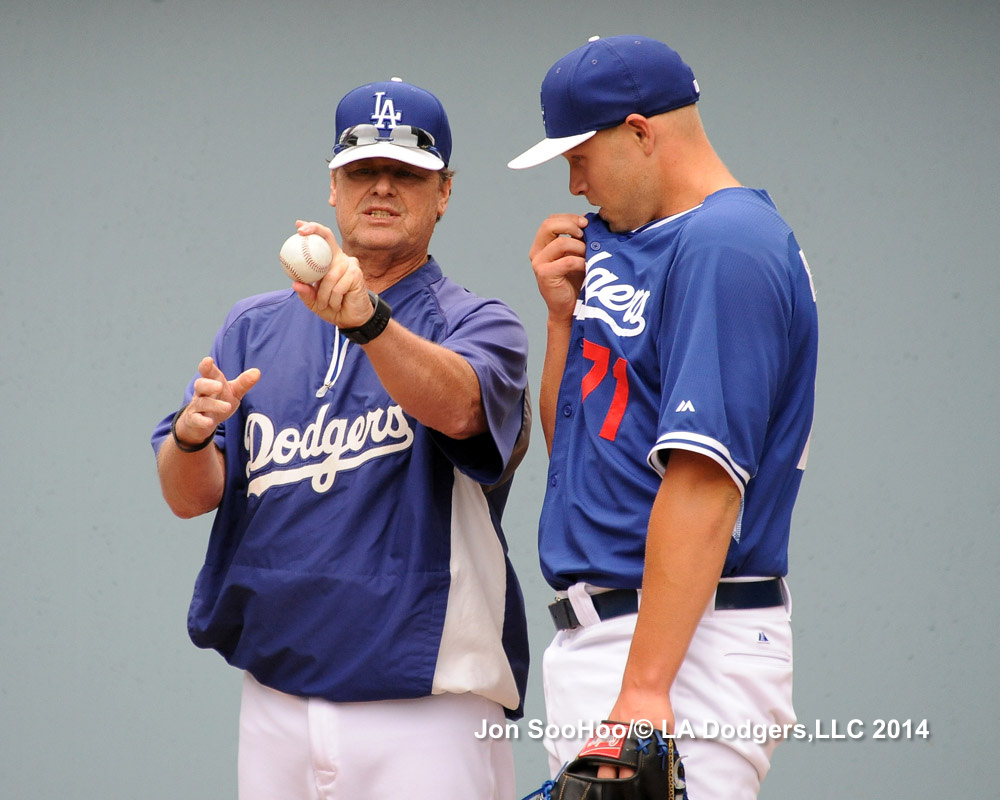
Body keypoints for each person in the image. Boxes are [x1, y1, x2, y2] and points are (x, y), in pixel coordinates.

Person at [152, 78, 531, 800]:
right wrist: (193, 436)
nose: (382, 188)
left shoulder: (479, 322)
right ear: (333, 186)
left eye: (407, 174)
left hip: (428, 707)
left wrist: (369, 324)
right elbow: (186, 496)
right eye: (363, 171)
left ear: (443, 192)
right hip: (275, 700)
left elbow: (459, 409)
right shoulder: (252, 326)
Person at [508, 35, 818, 799]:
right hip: (617, 636)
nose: (575, 182)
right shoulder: (639, 240)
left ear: (641, 133)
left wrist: (644, 692)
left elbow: (707, 481)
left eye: (580, 155)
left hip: (683, 646)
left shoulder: (728, 246)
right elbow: (580, 449)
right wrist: (560, 324)